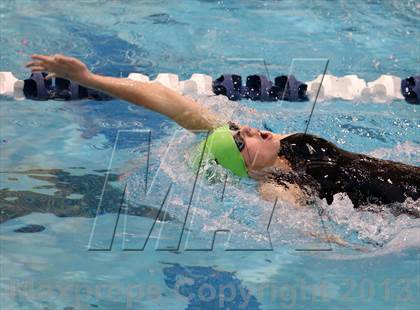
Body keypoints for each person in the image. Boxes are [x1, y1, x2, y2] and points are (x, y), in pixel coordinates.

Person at [26, 54, 420, 217]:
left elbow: (164, 98)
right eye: (238, 140)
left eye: (236, 128)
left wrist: (88, 78)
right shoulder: (277, 187)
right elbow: (315, 234)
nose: (245, 127)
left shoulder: (288, 145)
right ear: (243, 165)